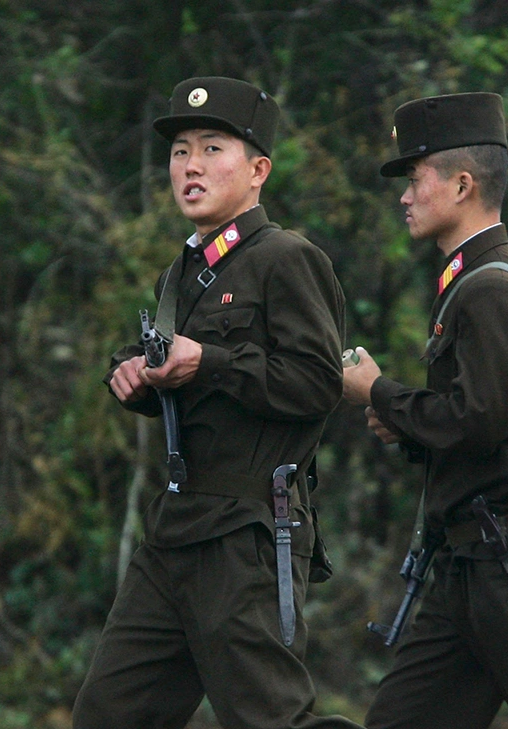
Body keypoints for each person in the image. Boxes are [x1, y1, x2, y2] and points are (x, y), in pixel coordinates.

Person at [72, 76, 362, 729]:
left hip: (247, 533)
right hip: (175, 529)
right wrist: (135, 380)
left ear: (258, 170)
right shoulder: (181, 274)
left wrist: (210, 360)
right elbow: (187, 394)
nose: (191, 165)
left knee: (271, 718)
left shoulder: (287, 258)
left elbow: (318, 384)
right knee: (109, 713)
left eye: (211, 148)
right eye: (180, 151)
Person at [342, 92, 508, 729]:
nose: (405, 195)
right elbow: (484, 418)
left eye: (415, 177)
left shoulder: (488, 287)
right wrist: (407, 424)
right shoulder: (475, 280)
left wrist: (378, 392)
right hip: (473, 559)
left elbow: (476, 422)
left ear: (461, 185)